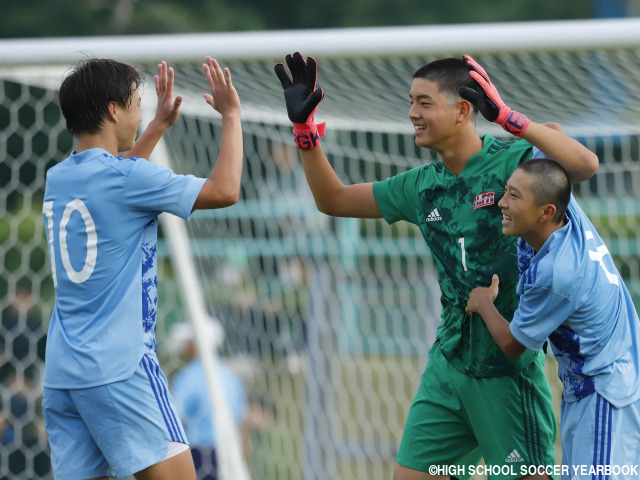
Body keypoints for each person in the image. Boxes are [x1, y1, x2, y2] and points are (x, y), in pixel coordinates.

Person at [273, 52, 599, 480]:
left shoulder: (514, 162)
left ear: (463, 110)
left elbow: (583, 164)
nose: (412, 113)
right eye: (411, 102)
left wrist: (506, 116)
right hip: (447, 364)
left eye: (424, 103)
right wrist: (304, 132)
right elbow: (331, 200)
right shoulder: (420, 187)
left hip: (506, 369)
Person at [41, 56, 243, 480]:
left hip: (64, 374)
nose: (141, 111)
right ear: (113, 110)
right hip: (120, 368)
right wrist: (230, 115)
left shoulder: (59, 177)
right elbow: (225, 190)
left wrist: (156, 128)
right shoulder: (125, 179)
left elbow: (118, 181)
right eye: (137, 102)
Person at [465, 158, 640, 480]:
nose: (502, 203)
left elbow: (514, 343)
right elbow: (554, 137)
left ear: (545, 212)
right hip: (591, 389)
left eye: (514, 196)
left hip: (605, 394)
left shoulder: (557, 275)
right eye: (506, 191)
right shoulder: (570, 213)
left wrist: (483, 303)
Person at [170, 319, 249, 480]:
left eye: (189, 341)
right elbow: (241, 422)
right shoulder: (232, 377)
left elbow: (174, 420)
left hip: (199, 455)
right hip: (230, 453)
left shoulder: (187, 377)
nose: (185, 346)